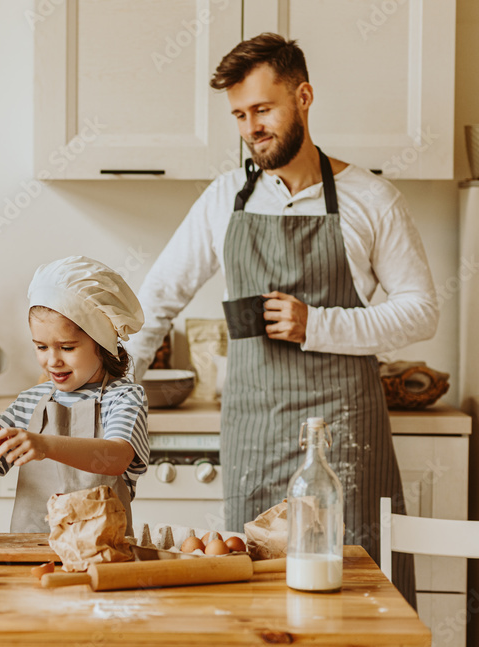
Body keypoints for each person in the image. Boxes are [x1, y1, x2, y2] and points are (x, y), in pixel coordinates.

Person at [125, 33, 437, 605]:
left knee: (360, 582)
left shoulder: (371, 198)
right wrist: (114, 395)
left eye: (263, 109)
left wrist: (315, 324)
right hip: (255, 429)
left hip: (346, 431)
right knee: (257, 588)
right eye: (240, 115)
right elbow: (157, 300)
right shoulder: (224, 200)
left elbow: (421, 312)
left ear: (304, 97)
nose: (251, 128)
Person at [0, 256, 149, 534]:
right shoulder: (31, 401)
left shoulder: (123, 398)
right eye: (41, 347)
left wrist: (45, 445)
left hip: (102, 553)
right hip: (32, 552)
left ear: (102, 343)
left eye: (67, 348)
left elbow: (117, 457)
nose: (53, 361)